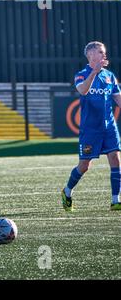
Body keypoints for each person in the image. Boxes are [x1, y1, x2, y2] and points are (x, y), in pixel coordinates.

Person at [62, 41, 121, 212]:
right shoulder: (81, 75)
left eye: (104, 52)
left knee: (116, 159)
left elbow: (118, 99)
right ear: (90, 55)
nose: (104, 55)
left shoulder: (110, 76)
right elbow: (83, 90)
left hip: (109, 127)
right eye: (101, 52)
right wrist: (94, 72)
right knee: (84, 166)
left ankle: (115, 200)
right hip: (90, 130)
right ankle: (67, 191)